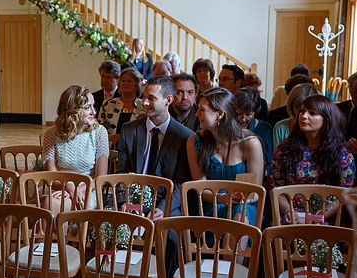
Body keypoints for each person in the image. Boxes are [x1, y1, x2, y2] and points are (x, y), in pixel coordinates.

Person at [269, 95, 355, 224]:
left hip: (326, 218)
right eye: (302, 111)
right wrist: (289, 212)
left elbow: (344, 193)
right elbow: (275, 187)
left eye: (312, 113)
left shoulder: (341, 154)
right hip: (290, 214)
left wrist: (320, 217)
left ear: (326, 119)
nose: (304, 116)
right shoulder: (285, 148)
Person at [117, 75, 193, 218]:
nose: (144, 102)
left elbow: (180, 182)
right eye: (144, 97)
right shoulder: (129, 130)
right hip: (132, 197)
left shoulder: (184, 137)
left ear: (168, 100)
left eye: (151, 98)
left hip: (164, 201)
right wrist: (124, 202)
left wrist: (162, 208)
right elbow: (122, 173)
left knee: (172, 231)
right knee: (106, 221)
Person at [186, 88, 265, 222]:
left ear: (220, 114)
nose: (196, 114)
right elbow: (199, 186)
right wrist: (220, 198)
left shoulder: (250, 143)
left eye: (202, 109)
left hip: (243, 206)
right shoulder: (195, 142)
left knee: (240, 213)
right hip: (209, 205)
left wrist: (240, 198)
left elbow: (255, 191)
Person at [41, 85, 109, 210]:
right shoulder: (51, 135)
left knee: (56, 205)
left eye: (93, 106)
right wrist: (69, 187)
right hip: (62, 187)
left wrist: (78, 189)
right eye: (87, 108)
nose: (93, 112)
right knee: (49, 203)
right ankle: (58, 230)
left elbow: (101, 178)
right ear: (73, 110)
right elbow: (50, 176)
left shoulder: (100, 132)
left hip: (89, 189)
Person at [235, 88, 273, 174]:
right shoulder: (227, 128)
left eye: (248, 114)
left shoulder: (265, 129)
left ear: (255, 112)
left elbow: (269, 160)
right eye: (239, 113)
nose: (243, 118)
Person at [272, 82, 319, 147]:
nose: (303, 115)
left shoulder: (319, 128)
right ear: (291, 106)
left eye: (310, 111)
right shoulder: (280, 128)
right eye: (299, 110)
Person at [98, 66, 143, 134]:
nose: (125, 83)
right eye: (123, 81)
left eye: (129, 81)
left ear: (137, 85)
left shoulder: (144, 106)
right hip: (111, 143)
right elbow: (99, 130)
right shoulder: (108, 104)